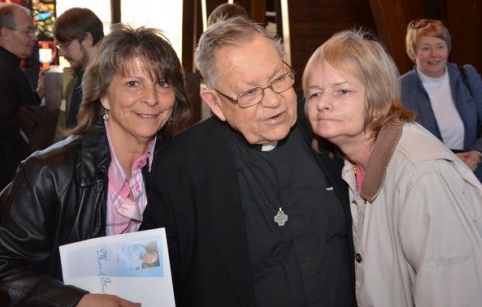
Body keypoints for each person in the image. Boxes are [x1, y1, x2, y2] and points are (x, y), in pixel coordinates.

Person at [140, 17, 357, 306]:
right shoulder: (181, 167)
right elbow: (152, 276)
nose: (273, 101)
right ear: (215, 102)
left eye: (279, 79)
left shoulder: (328, 124)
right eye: (250, 92)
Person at [302, 29, 482, 306]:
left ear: (379, 100)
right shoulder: (353, 165)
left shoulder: (424, 178)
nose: (322, 103)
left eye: (342, 90)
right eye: (314, 93)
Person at [0, 24, 192, 306]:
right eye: (133, 83)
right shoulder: (48, 173)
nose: (151, 99)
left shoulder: (183, 169)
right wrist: (76, 301)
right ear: (103, 95)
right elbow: (5, 270)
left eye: (162, 84)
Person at [399, 18, 482, 194]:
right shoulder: (400, 88)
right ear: (413, 52)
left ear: (448, 49)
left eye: (440, 46)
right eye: (426, 48)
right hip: (428, 182)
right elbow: (396, 141)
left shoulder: (467, 76)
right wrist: (443, 161)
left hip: (472, 173)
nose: (434, 54)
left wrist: (477, 154)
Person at [0, 3, 44, 190]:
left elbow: (17, 108)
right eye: (28, 32)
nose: (34, 37)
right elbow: (7, 123)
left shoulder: (12, 66)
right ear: (6, 33)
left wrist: (36, 96)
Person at [53, 7, 104, 129]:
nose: (61, 53)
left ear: (87, 39)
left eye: (64, 45)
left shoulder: (110, 80)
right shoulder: (76, 78)